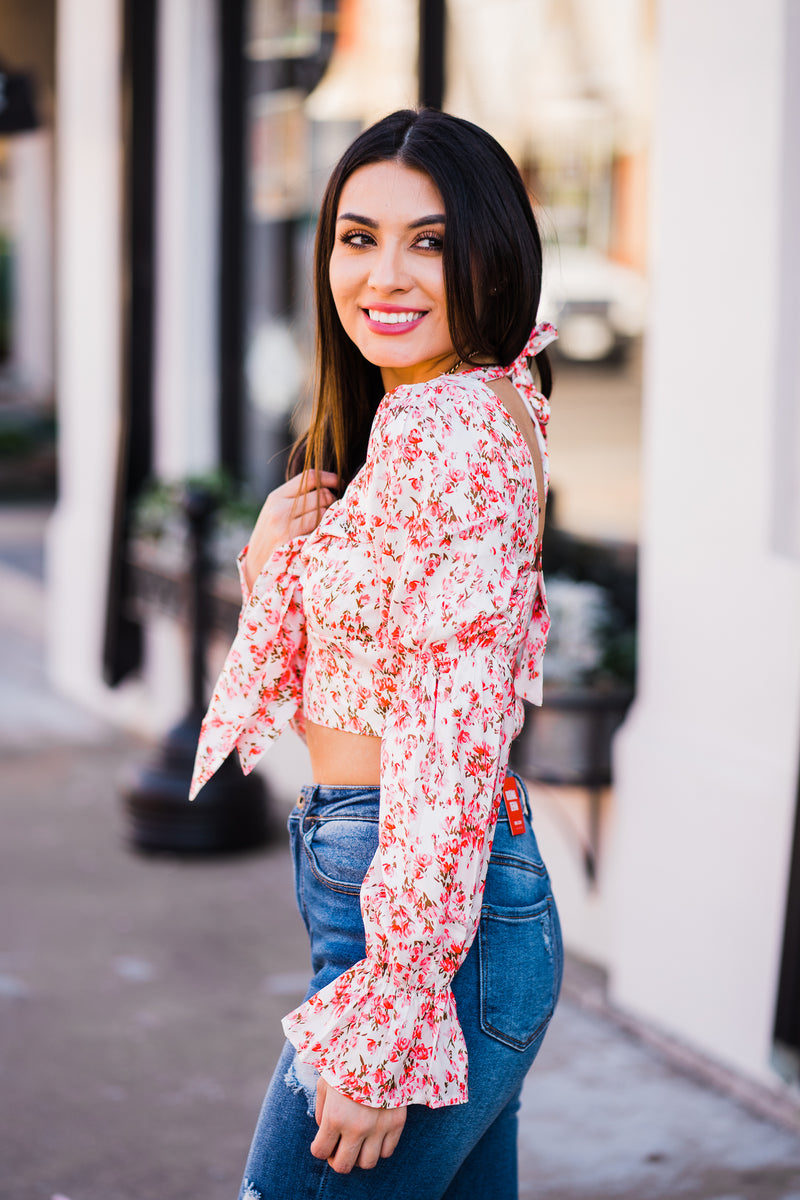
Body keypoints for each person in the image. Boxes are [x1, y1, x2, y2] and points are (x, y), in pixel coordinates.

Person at [190, 107, 563, 1200]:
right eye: (358, 237)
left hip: (418, 924)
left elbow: (450, 735)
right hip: (422, 894)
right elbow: (386, 663)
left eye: (430, 241)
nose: (385, 275)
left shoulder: (447, 425)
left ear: (490, 254)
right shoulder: (462, 410)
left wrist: (393, 1010)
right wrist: (275, 567)